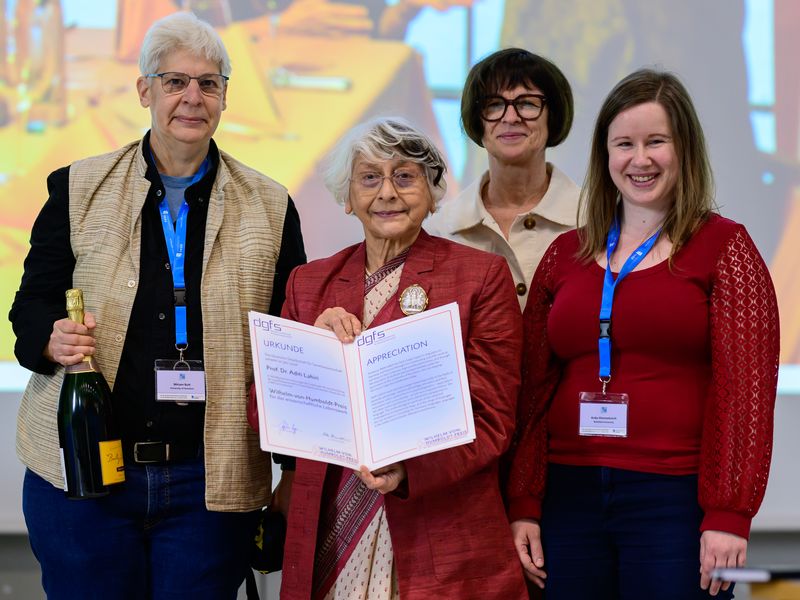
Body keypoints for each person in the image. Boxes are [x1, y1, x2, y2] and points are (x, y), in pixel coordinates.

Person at [8, 11, 305, 599]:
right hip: (84, 477)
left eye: (209, 83)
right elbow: (30, 306)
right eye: (175, 81)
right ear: (144, 90)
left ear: (224, 97)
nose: (192, 97)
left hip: (209, 483)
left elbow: (289, 347)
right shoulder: (77, 186)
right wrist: (49, 338)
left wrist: (292, 470)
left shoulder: (270, 206)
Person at [506, 69, 779, 599]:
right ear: (605, 156)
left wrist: (729, 513)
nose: (640, 159)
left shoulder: (726, 248)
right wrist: (524, 504)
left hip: (675, 501)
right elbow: (532, 391)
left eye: (656, 142)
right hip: (568, 497)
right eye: (624, 144)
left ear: (684, 150)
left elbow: (747, 393)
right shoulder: (566, 254)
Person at [276, 117, 527, 599]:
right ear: (347, 197)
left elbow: (493, 420)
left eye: (405, 176)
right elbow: (264, 407)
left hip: (437, 529)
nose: (387, 192)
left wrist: (411, 471)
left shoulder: (481, 277)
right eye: (370, 177)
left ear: (432, 194)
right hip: (328, 526)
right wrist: (311, 349)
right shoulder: (308, 285)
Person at [425, 48, 580, 310]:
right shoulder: (440, 231)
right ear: (478, 121)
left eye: (527, 103)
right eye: (494, 105)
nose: (510, 118)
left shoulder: (598, 220)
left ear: (552, 117)